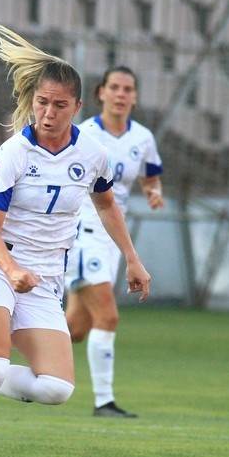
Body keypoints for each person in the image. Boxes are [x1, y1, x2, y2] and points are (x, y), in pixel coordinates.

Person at [0, 25, 151, 457]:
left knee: (57, 389)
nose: (48, 113)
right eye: (42, 102)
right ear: (33, 101)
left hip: (46, 275)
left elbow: (106, 206)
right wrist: (10, 269)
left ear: (78, 107)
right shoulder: (13, 153)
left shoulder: (91, 155)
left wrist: (132, 258)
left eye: (59, 105)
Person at [65, 66, 164, 418]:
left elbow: (151, 176)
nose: (121, 94)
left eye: (128, 89)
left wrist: (153, 193)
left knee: (74, 330)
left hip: (112, 239)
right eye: (115, 88)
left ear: (135, 97)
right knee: (107, 316)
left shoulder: (143, 138)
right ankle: (103, 402)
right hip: (83, 233)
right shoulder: (83, 133)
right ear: (101, 93)